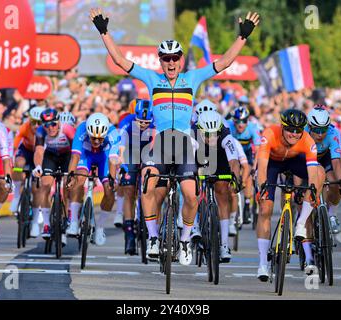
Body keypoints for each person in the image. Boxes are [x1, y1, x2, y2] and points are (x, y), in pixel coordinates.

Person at [90, 7, 259, 266]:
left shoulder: (192, 78)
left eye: (175, 58)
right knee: (146, 184)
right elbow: (120, 60)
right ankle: (154, 239)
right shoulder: (151, 78)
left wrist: (242, 37)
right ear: (160, 61)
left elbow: (223, 62)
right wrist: (104, 31)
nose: (170, 63)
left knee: (191, 195)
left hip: (183, 144)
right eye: (166, 58)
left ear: (180, 60)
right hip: (160, 144)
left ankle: (185, 239)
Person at [256, 109, 325, 281]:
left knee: (320, 171)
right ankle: (263, 264)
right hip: (272, 163)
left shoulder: (307, 141)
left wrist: (312, 191)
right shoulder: (270, 133)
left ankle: (301, 223)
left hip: (294, 161)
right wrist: (262, 188)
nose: (294, 134)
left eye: (298, 130)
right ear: (282, 126)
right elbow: (262, 167)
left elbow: (312, 172)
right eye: (290, 130)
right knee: (265, 209)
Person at [193, 111, 249, 262]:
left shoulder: (226, 135)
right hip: (200, 156)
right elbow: (188, 162)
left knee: (222, 194)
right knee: (192, 187)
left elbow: (234, 161)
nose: (211, 138)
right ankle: (195, 224)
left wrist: (236, 179)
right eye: (207, 134)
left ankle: (224, 245)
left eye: (214, 134)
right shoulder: (193, 134)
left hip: (220, 158)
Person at [65, 113, 120, 246]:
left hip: (104, 157)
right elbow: (75, 157)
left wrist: (112, 180)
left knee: (109, 190)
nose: (96, 141)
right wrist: (70, 175)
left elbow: (113, 159)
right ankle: (73, 223)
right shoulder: (82, 129)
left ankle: (100, 227)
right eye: (93, 138)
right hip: (86, 154)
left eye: (100, 139)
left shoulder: (113, 133)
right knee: (78, 181)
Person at [118, 100, 155, 255]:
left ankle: (151, 228)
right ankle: (129, 235)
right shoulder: (126, 122)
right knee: (129, 191)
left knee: (151, 187)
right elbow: (122, 146)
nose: (143, 125)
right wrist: (122, 162)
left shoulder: (156, 123)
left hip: (149, 151)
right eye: (140, 122)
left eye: (146, 122)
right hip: (131, 152)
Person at [32, 108, 76, 239]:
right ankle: (46, 225)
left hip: (67, 156)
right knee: (44, 186)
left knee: (68, 186)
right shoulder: (40, 132)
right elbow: (39, 151)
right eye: (46, 125)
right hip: (51, 156)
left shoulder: (68, 130)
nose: (50, 128)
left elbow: (76, 152)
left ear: (59, 122)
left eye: (53, 124)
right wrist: (38, 166)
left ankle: (69, 215)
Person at [306, 106, 341, 234]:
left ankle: (332, 215)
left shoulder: (333, 133)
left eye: (323, 129)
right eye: (317, 130)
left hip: (325, 157)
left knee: (334, 183)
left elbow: (336, 161)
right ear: (309, 126)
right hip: (307, 158)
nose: (320, 134)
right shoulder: (303, 132)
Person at [10, 107, 45, 232]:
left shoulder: (46, 131)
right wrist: (11, 158)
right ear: (29, 120)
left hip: (40, 154)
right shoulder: (24, 127)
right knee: (18, 164)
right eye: (33, 122)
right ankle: (17, 195)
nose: (36, 125)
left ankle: (37, 213)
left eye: (39, 123)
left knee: (38, 185)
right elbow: (15, 144)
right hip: (26, 152)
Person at [228, 105, 261, 226]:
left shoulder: (253, 128)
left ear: (248, 121)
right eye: (238, 122)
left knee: (248, 177)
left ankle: (247, 203)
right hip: (232, 152)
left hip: (247, 153)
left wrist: (254, 167)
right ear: (234, 121)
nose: (241, 125)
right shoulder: (229, 126)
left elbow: (258, 150)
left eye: (244, 122)